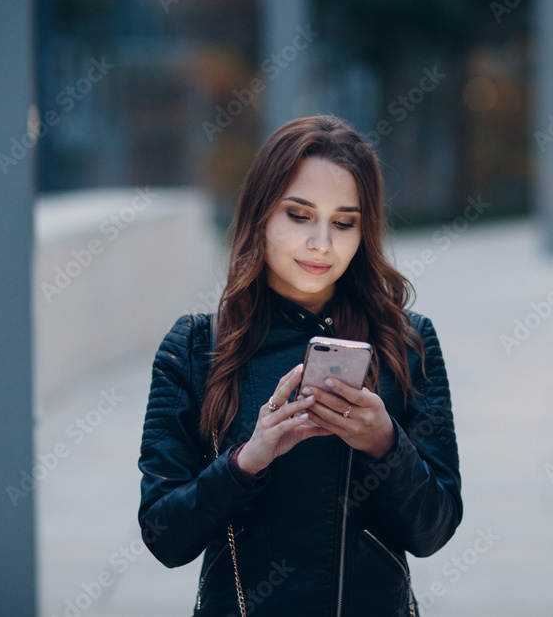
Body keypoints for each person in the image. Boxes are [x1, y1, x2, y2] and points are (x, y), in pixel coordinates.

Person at [138, 115, 461, 616]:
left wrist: (385, 444)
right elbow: (164, 537)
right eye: (299, 215)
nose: (321, 244)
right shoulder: (197, 348)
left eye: (344, 222)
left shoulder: (408, 344)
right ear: (260, 214)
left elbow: (434, 529)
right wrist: (245, 463)